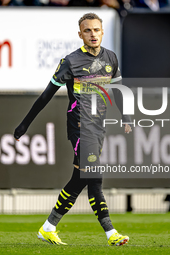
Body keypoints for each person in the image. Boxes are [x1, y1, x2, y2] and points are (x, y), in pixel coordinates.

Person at [14, 13, 132, 246]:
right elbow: (46, 95)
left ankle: (48, 227)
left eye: (96, 30)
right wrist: (25, 123)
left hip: (98, 126)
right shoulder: (71, 61)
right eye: (87, 31)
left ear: (102, 32)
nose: (92, 34)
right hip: (79, 124)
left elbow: (118, 91)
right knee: (94, 177)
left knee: (81, 177)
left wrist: (126, 117)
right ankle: (111, 233)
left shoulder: (111, 58)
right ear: (80, 35)